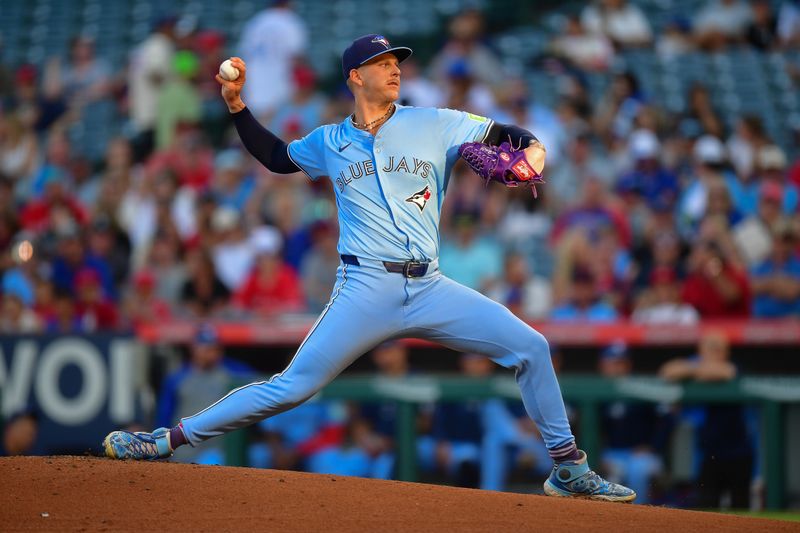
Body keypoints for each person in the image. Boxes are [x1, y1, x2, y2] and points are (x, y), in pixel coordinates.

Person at [103, 34, 635, 502]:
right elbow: (276, 158)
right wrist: (238, 107)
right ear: (356, 76)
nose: (395, 68)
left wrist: (532, 154)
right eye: (383, 63)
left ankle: (568, 469)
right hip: (364, 286)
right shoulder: (330, 142)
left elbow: (510, 137)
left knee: (532, 347)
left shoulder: (436, 122)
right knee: (291, 387)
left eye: (397, 61)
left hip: (430, 285)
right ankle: (164, 440)